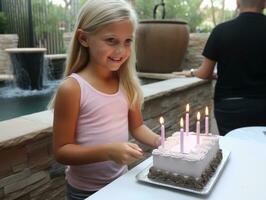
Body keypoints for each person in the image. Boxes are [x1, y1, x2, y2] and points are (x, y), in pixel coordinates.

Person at [50, 0, 160, 199]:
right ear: (84, 38)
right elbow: (61, 152)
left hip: (122, 183)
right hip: (85, 192)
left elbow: (137, 127)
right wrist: (108, 152)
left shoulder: (126, 83)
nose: (121, 51)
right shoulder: (72, 88)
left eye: (128, 41)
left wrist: (162, 142)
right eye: (111, 40)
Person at [174, 0, 266, 136]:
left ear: (238, 2)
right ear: (264, 3)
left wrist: (192, 72)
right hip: (263, 105)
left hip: (229, 107)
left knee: (232, 148)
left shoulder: (221, 31)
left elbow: (205, 72)